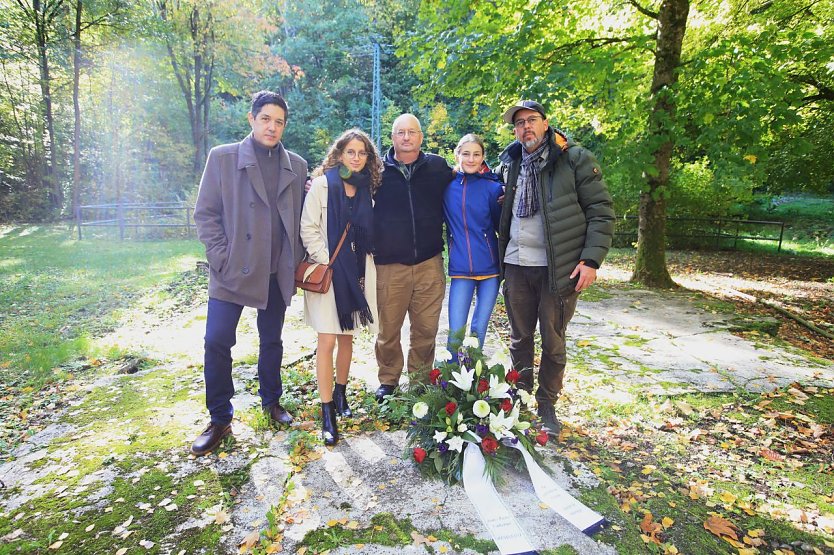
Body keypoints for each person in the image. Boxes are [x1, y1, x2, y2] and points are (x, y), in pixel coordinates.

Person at [191, 90, 307, 456]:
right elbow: (205, 214)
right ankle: (220, 418)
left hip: (275, 272)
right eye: (266, 119)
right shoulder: (223, 158)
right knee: (217, 341)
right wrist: (221, 258)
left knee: (271, 341)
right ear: (251, 119)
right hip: (231, 272)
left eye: (279, 121)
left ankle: (271, 401)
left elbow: (304, 217)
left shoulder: (297, 166)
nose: (272, 127)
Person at [496, 100, 614, 437]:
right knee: (519, 339)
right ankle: (517, 396)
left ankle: (547, 403)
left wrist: (591, 260)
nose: (525, 128)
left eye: (531, 120)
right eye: (518, 124)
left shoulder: (574, 159)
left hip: (557, 268)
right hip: (516, 265)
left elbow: (601, 211)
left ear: (546, 123)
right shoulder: (511, 163)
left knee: (553, 339)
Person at [300, 129, 382, 445]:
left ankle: (341, 392)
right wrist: (328, 263)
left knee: (347, 338)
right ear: (340, 154)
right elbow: (308, 228)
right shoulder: (322, 186)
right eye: (351, 152)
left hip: (358, 273)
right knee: (327, 340)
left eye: (362, 153)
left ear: (368, 159)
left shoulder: (367, 193)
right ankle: (326, 412)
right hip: (329, 273)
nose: (356, 157)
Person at [373, 114, 454, 401]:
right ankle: (388, 380)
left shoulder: (438, 167)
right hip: (389, 265)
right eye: (400, 132)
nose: (406, 138)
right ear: (392, 137)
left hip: (429, 263)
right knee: (388, 329)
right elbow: (344, 179)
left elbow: (467, 178)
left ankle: (419, 381)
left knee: (426, 328)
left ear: (421, 137)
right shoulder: (376, 170)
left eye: (412, 132)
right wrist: (316, 182)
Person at [443, 134, 503, 354]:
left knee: (479, 330)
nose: (470, 159)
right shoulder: (446, 186)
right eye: (466, 154)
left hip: (490, 269)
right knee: (456, 333)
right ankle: (449, 385)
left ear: (483, 158)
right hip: (460, 270)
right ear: (457, 155)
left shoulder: (493, 188)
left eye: (476, 154)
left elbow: (500, 226)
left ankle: (475, 383)